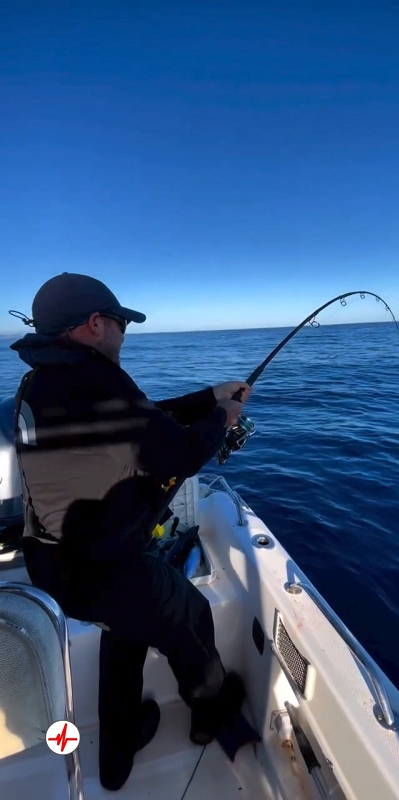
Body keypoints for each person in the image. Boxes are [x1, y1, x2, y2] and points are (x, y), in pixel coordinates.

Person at [10, 272, 252, 791]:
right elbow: (179, 452)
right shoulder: (97, 379)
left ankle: (117, 758)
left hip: (52, 565)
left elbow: (142, 421)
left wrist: (208, 397)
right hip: (103, 569)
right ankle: (210, 715)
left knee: (128, 630)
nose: (125, 333)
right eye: (121, 324)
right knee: (188, 613)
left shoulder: (40, 381)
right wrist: (223, 418)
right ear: (96, 324)